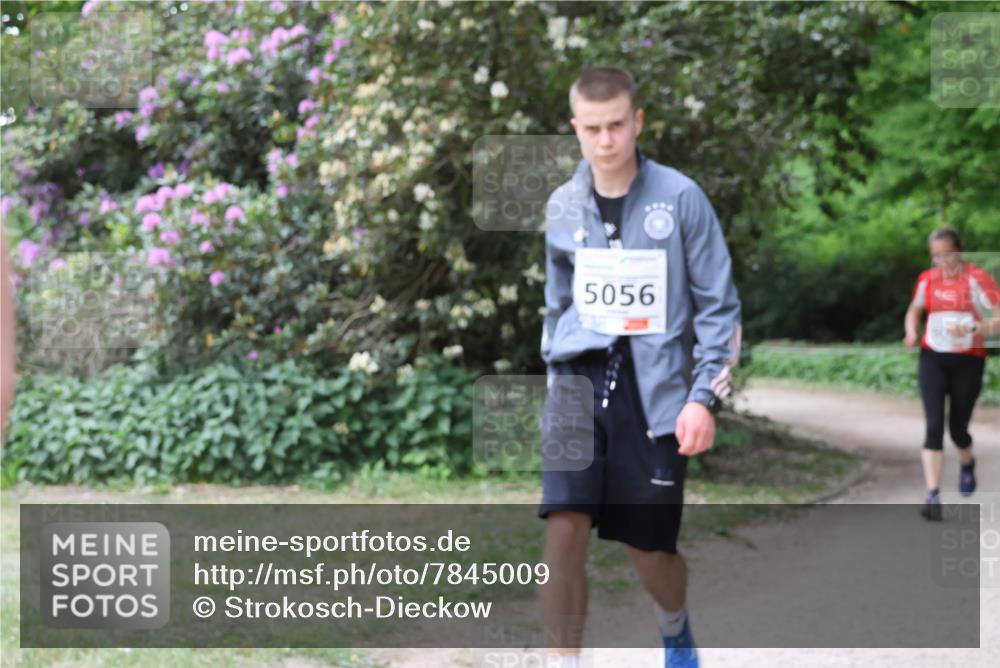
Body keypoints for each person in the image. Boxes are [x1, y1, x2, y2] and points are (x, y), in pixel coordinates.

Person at [537, 67, 741, 668]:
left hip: (660, 395)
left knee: (648, 550)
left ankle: (674, 627)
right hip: (578, 384)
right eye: (593, 128)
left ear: (638, 122)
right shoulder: (563, 205)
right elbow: (556, 305)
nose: (606, 140)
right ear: (576, 129)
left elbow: (720, 309)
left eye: (617, 125)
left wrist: (704, 397)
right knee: (563, 527)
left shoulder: (681, 198)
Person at [904, 226, 1000, 521]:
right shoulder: (927, 280)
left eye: (948, 254)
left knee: (957, 428)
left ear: (961, 250)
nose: (943, 261)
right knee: (933, 424)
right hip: (932, 357)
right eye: (936, 256)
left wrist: (975, 328)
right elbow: (915, 309)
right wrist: (910, 331)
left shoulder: (978, 279)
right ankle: (932, 494)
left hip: (969, 360)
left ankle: (967, 463)